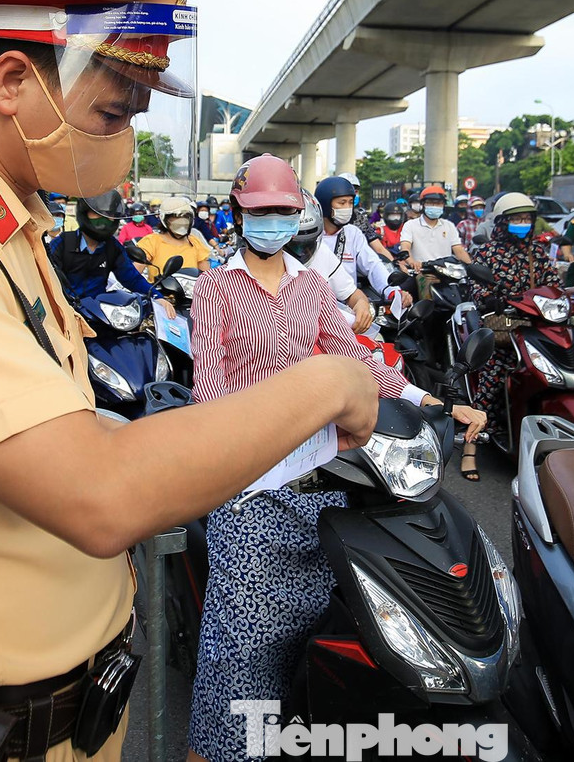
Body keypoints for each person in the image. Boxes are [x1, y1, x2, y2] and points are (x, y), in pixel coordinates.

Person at [0, 0, 381, 762]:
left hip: (75, 705)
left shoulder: (6, 227)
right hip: (6, 731)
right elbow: (99, 492)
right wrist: (329, 380)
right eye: (114, 114)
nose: (124, 143)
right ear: (13, 81)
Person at [186, 155, 485, 762]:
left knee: (341, 628)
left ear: (298, 215)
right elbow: (210, 387)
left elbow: (360, 362)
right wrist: (263, 431)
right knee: (242, 651)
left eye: (281, 211)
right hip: (252, 486)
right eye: (258, 212)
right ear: (239, 215)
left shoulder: (313, 288)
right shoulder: (215, 287)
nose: (270, 221)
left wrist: (432, 400)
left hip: (327, 480)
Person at [467, 193, 561, 479]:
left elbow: (555, 285)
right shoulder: (487, 253)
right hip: (504, 325)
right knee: (493, 373)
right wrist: (491, 299)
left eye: (526, 219)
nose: (522, 224)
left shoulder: (539, 254)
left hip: (537, 323)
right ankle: (470, 448)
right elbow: (477, 288)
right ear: (503, 222)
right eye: (516, 219)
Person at [48, 191, 173, 318]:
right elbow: (48, 278)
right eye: (97, 213)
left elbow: (131, 278)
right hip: (63, 312)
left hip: (98, 314)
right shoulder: (63, 243)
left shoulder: (112, 247)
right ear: (84, 213)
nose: (104, 218)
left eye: (110, 214)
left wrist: (157, 297)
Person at [315, 175, 411, 311]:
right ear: (325, 204)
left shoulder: (352, 233)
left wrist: (392, 291)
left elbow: (372, 265)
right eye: (342, 203)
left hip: (348, 306)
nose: (347, 208)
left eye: (350, 202)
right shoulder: (310, 234)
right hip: (313, 306)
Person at [287, 188, 375, 333]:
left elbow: (351, 293)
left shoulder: (322, 253)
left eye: (308, 243)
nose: (302, 251)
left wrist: (362, 305)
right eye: (294, 244)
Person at [136, 195, 212, 281]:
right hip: (159, 292)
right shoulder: (151, 242)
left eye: (186, 216)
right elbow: (134, 274)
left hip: (189, 293)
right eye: (176, 216)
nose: (182, 221)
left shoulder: (195, 242)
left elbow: (206, 278)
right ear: (164, 218)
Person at [400, 185, 471, 269]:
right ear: (423, 204)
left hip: (446, 272)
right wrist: (412, 262)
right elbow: (405, 247)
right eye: (430, 202)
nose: (434, 206)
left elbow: (459, 250)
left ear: (443, 205)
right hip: (420, 271)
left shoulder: (449, 226)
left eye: (438, 203)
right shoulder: (410, 225)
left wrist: (471, 267)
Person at [338, 171, 394, 262]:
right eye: (348, 190)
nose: (353, 194)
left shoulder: (360, 218)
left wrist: (395, 264)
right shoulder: (325, 218)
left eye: (355, 191)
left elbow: (378, 247)